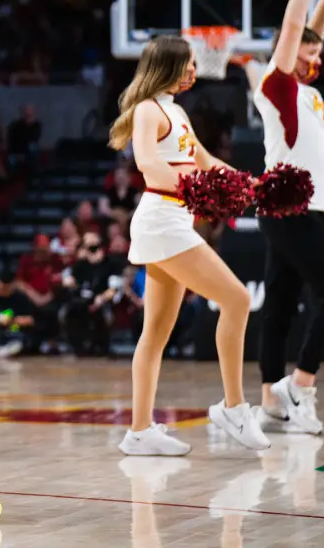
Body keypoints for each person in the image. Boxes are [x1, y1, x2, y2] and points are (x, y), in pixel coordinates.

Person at [109, 35, 267, 456]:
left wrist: (248, 184)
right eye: (189, 64)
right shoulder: (148, 109)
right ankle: (233, 408)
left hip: (174, 219)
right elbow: (148, 163)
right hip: (162, 219)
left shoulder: (176, 111)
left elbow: (204, 160)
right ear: (168, 66)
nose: (195, 70)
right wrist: (196, 186)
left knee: (155, 334)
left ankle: (139, 431)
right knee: (236, 299)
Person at [252, 0, 324, 435]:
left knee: (279, 304)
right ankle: (300, 386)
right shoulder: (277, 85)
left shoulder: (310, 93)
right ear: (288, 50)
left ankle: (270, 404)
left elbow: (314, 27)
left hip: (303, 209)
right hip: (286, 208)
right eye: (308, 52)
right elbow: (296, 26)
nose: (316, 57)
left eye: (318, 53)